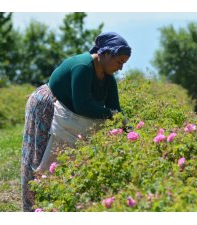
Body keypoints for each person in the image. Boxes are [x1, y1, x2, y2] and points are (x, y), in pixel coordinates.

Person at [21, 32, 131, 212]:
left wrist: (127, 129)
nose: (120, 68)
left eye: (123, 64)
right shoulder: (83, 67)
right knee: (38, 157)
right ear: (106, 54)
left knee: (58, 161)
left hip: (65, 110)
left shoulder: (108, 78)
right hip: (45, 105)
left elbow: (115, 108)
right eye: (119, 62)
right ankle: (32, 209)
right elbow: (82, 105)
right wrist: (110, 115)